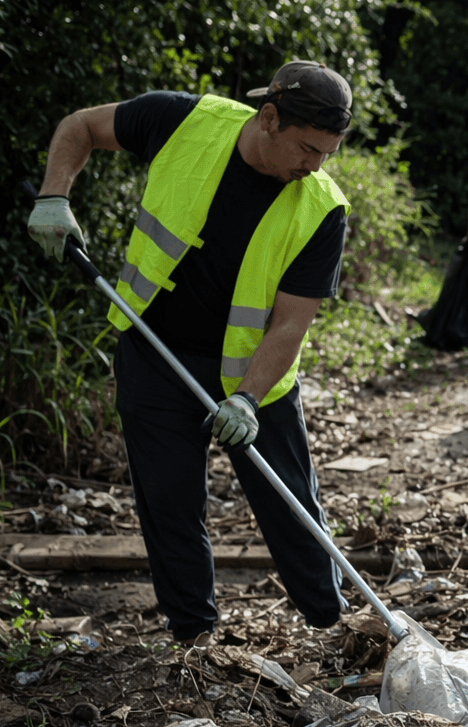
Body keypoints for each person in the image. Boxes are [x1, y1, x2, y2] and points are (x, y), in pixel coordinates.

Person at [24, 60, 361, 646]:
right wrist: (55, 196)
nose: (315, 165)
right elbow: (81, 126)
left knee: (291, 508)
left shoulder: (322, 209)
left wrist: (248, 400)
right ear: (270, 117)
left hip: (255, 379)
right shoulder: (185, 120)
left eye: (327, 153)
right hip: (154, 354)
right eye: (308, 148)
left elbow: (288, 327)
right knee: (170, 503)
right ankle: (194, 639)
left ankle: (335, 626)